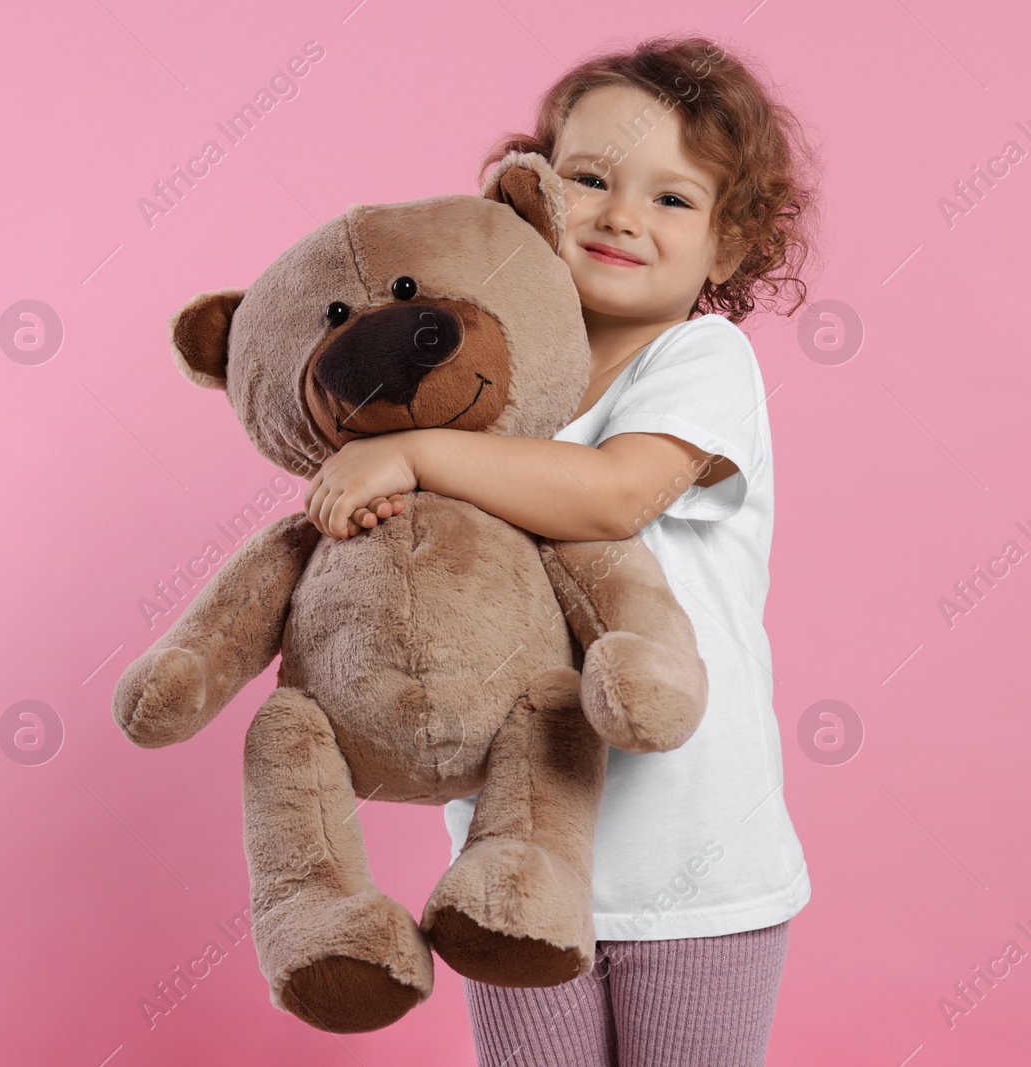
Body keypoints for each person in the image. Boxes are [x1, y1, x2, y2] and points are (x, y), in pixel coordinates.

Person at [300, 33, 823, 1066]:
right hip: (517, 858)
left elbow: (614, 493)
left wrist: (410, 451)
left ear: (726, 246)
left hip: (695, 863)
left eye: (674, 198)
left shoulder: (701, 358)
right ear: (536, 201)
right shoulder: (496, 382)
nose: (623, 214)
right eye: (590, 178)